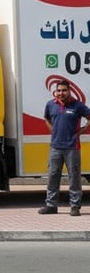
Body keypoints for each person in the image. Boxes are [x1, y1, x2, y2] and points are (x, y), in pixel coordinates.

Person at [38, 80, 90, 216]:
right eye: (58, 90)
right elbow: (46, 118)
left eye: (64, 90)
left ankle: (75, 206)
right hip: (55, 147)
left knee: (74, 177)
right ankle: (51, 205)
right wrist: (53, 130)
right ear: (55, 91)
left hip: (72, 147)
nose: (61, 93)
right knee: (53, 176)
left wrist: (81, 131)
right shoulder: (50, 104)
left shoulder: (77, 106)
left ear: (69, 91)